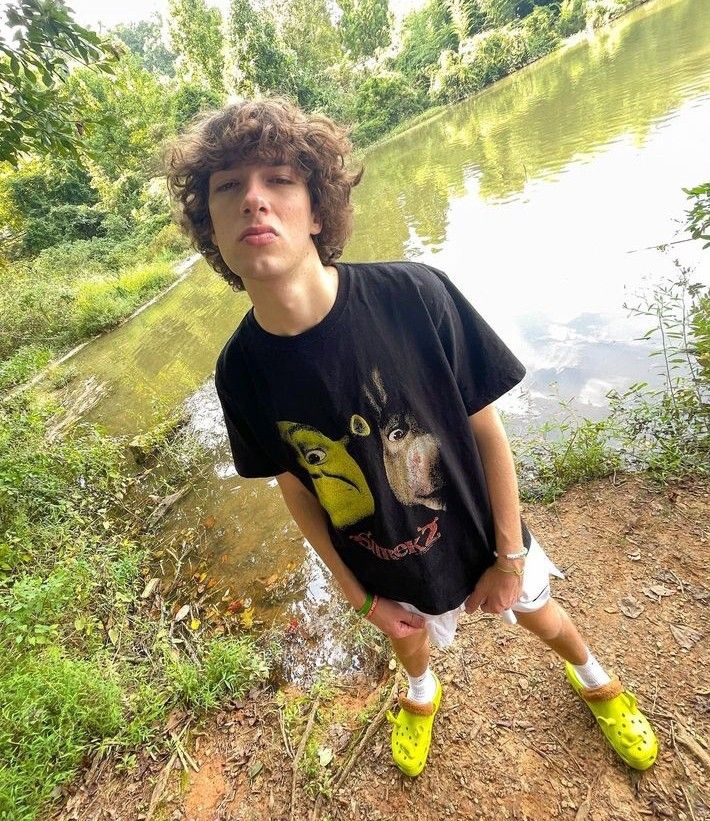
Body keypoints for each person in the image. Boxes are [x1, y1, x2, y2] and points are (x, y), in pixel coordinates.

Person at [165, 97, 658, 776]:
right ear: (211, 231)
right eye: (229, 188)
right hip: (381, 565)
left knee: (546, 618)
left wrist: (509, 557)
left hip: (484, 537)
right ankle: (421, 693)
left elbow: (486, 429)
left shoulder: (416, 295)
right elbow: (294, 484)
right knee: (410, 642)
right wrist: (358, 596)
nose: (254, 199)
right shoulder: (239, 371)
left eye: (278, 179)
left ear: (316, 212)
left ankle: (597, 680)